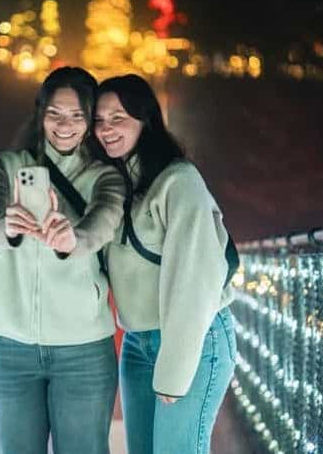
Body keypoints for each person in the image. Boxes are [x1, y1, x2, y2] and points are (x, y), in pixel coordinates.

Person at [0, 66, 125, 454]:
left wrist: (73, 238)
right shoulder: (5, 165)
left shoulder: (104, 177)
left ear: (90, 122)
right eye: (55, 113)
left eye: (77, 115)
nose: (64, 125)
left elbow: (104, 222)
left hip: (83, 350)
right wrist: (6, 227)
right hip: (8, 346)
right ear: (40, 114)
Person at [91, 74, 237, 454]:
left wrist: (174, 370)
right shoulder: (114, 187)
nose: (106, 129)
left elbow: (197, 280)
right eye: (99, 120)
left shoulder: (178, 181)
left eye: (118, 118)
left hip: (194, 338)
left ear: (146, 120)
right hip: (138, 344)